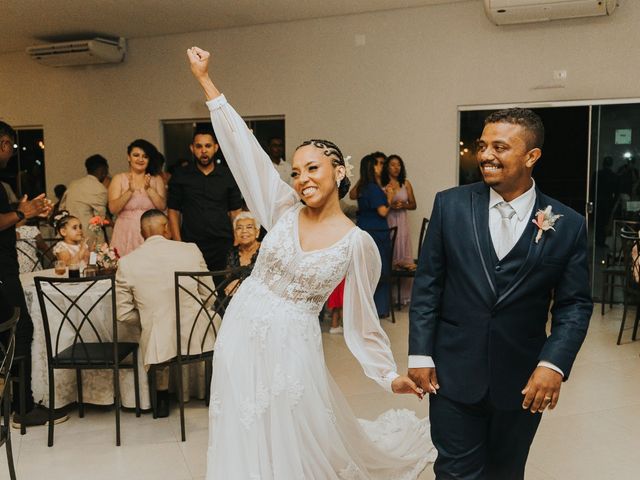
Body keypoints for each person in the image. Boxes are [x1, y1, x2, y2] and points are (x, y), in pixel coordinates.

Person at [187, 46, 435, 479]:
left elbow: (361, 321)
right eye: (296, 172)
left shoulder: (357, 244)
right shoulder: (281, 210)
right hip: (241, 331)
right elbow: (245, 151)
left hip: (292, 343)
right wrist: (207, 82)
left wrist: (386, 375)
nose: (302, 179)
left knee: (291, 425)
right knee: (242, 419)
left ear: (339, 172)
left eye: (313, 168)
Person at [409, 108, 593, 479]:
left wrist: (552, 365)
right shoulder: (451, 205)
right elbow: (428, 284)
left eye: (500, 147)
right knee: (455, 472)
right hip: (453, 371)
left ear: (531, 156)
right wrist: (419, 353)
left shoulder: (568, 225)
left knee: (507, 472)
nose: (486, 155)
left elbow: (574, 305)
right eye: (482, 146)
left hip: (524, 379)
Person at [0, 121, 67, 427]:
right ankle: (22, 409)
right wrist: (22, 214)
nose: (12, 153)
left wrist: (20, 208)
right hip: (2, 273)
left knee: (9, 335)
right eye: (11, 147)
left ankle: (14, 405)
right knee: (19, 331)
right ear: (3, 144)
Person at [116, 209, 213, 418]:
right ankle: (211, 391)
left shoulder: (127, 263)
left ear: (141, 233)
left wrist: (149, 320)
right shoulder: (190, 250)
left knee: (156, 330)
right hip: (200, 334)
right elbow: (210, 295)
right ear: (167, 228)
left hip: (159, 341)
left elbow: (123, 315)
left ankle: (161, 400)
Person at [167, 128, 243, 271]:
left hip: (223, 243)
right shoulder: (180, 175)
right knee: (192, 289)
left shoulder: (228, 175)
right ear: (192, 148)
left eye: (208, 146)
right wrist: (178, 243)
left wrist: (236, 240)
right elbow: (173, 212)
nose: (203, 150)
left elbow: (235, 212)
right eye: (199, 146)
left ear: (215, 148)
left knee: (223, 288)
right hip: (191, 244)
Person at [353, 154, 396, 318]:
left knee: (366, 270)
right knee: (379, 269)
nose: (382, 167)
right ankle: (379, 309)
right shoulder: (373, 187)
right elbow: (383, 212)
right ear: (371, 168)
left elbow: (352, 195)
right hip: (376, 231)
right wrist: (390, 198)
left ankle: (365, 308)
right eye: (379, 164)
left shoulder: (364, 187)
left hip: (364, 228)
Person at [108, 139, 167, 256]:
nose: (140, 159)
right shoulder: (119, 179)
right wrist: (129, 191)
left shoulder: (156, 179)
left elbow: (162, 206)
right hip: (125, 230)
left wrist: (149, 189)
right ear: (128, 157)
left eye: (145, 156)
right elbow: (113, 209)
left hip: (151, 230)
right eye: (136, 155)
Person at [382, 154, 417, 305]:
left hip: (402, 222)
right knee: (390, 256)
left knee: (402, 255)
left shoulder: (406, 183)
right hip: (387, 221)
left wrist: (403, 205)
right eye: (392, 165)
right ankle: (388, 298)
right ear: (387, 167)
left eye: (398, 165)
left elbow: (413, 205)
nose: (396, 168)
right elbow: (379, 206)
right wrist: (390, 205)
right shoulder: (382, 184)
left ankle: (403, 297)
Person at [60, 154, 109, 243]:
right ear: (103, 171)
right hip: (88, 235)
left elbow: (62, 208)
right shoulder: (100, 188)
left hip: (69, 234)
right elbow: (100, 219)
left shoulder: (73, 184)